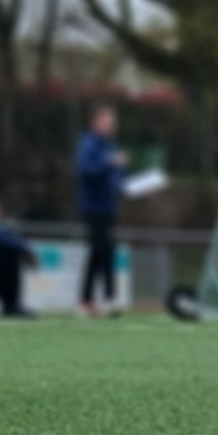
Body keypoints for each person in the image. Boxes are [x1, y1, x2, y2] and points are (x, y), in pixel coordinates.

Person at [75, 105, 128, 317]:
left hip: (108, 207)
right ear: (94, 122)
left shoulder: (110, 145)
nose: (110, 126)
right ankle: (109, 298)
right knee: (105, 251)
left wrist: (127, 183)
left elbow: (117, 175)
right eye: (106, 122)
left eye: (112, 122)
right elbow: (87, 170)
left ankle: (85, 301)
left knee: (97, 254)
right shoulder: (88, 144)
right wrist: (109, 162)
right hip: (93, 207)